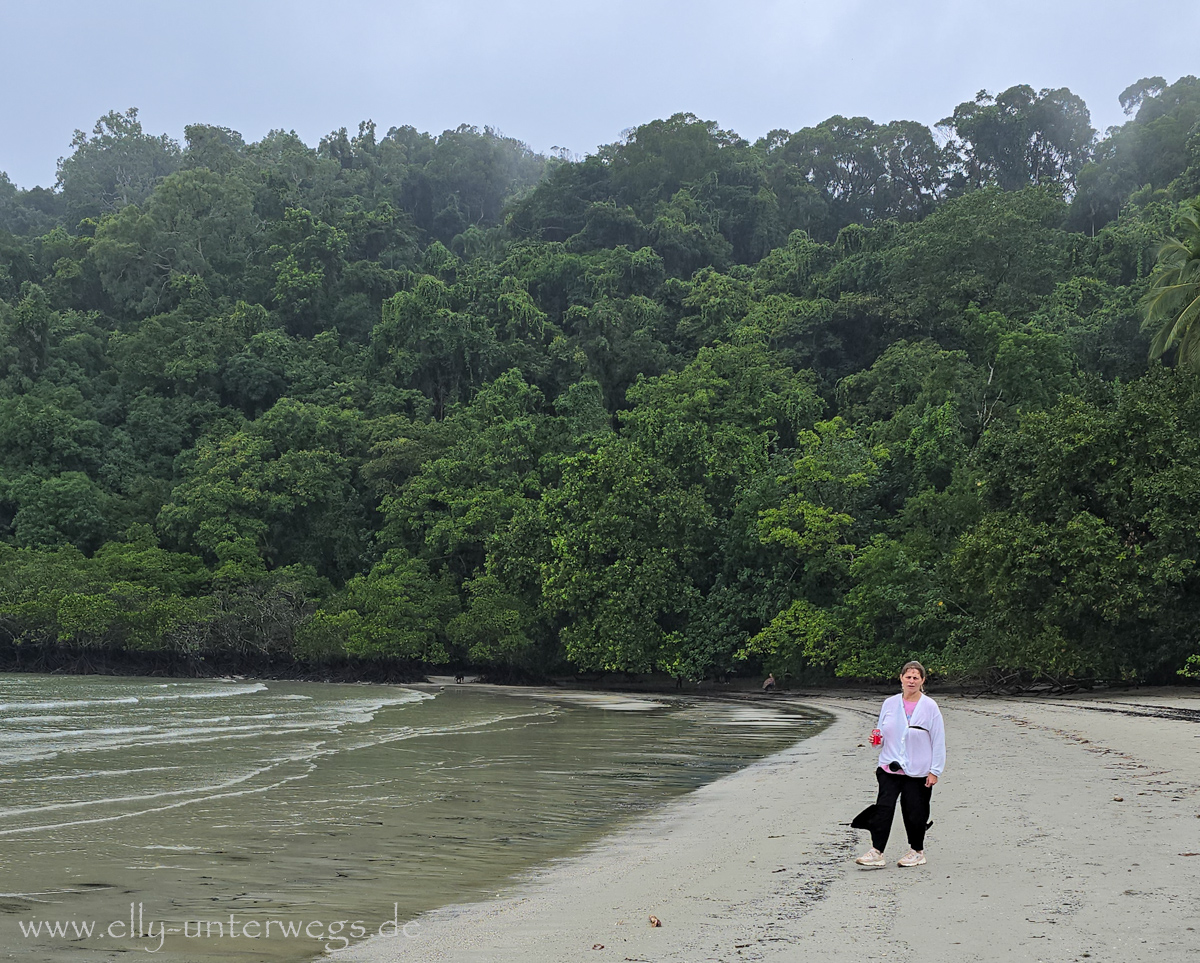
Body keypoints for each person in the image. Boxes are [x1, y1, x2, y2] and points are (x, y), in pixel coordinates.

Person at [853, 660, 945, 868]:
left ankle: (917, 851)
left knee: (915, 811)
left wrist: (935, 771)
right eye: (908, 676)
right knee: (883, 809)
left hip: (918, 770)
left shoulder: (929, 706)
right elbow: (881, 733)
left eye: (916, 677)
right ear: (901, 679)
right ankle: (877, 851)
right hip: (889, 767)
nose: (911, 681)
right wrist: (876, 741)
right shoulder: (890, 703)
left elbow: (938, 740)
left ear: (922, 681)